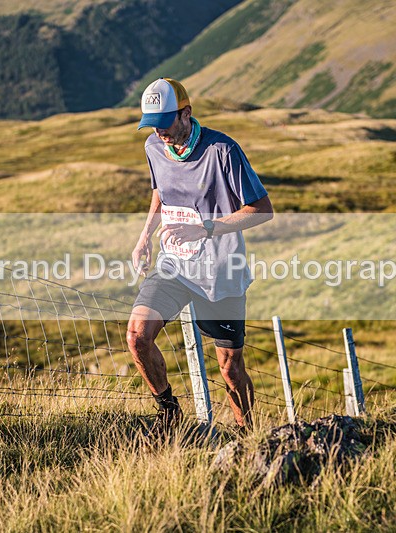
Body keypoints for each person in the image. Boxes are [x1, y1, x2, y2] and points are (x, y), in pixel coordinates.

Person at [128, 78, 274, 434]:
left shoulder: (223, 150)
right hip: (174, 264)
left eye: (165, 122)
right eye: (152, 124)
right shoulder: (153, 146)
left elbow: (262, 209)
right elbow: (160, 191)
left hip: (220, 271)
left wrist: (206, 228)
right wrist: (145, 235)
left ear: (186, 113)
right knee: (137, 336)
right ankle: (169, 412)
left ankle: (247, 437)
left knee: (230, 368)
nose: (160, 132)